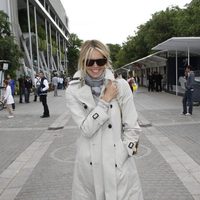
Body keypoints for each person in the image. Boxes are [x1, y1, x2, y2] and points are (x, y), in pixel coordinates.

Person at [66, 40, 143, 200]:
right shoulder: (73, 91)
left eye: (100, 61)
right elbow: (86, 130)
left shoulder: (121, 86)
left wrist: (126, 153)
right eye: (90, 61)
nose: (95, 66)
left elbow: (134, 128)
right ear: (82, 62)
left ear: (106, 61)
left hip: (119, 164)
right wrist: (105, 101)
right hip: (88, 164)